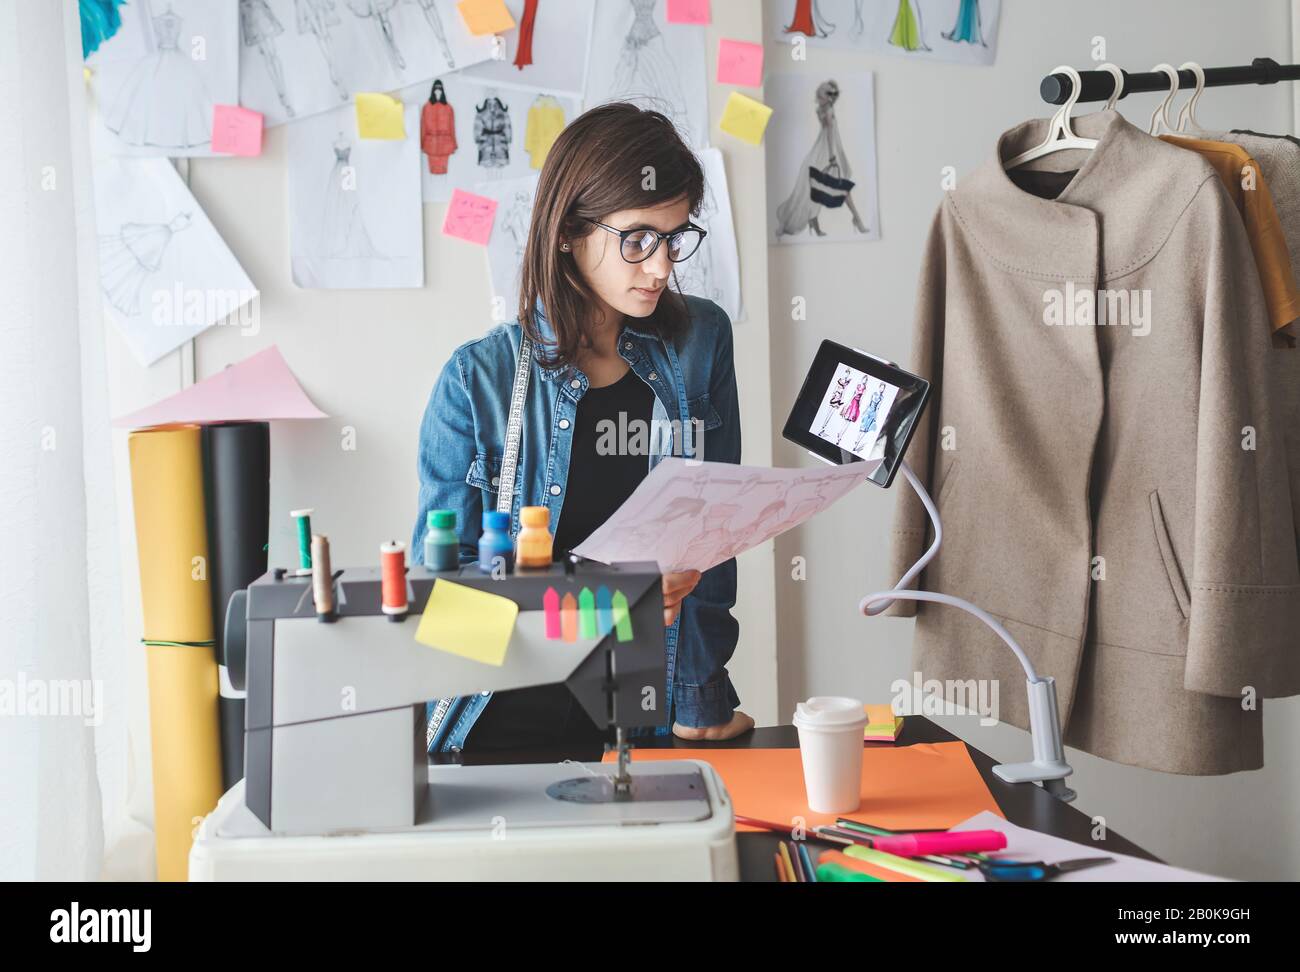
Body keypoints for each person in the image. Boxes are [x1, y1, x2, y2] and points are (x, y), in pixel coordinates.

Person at [413, 102, 754, 754]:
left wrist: (702, 701)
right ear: (567, 230)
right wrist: (601, 605)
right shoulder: (475, 383)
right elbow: (442, 610)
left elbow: (714, 546)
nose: (661, 268)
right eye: (637, 240)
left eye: (675, 237)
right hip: (499, 729)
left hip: (644, 723)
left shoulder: (701, 342)